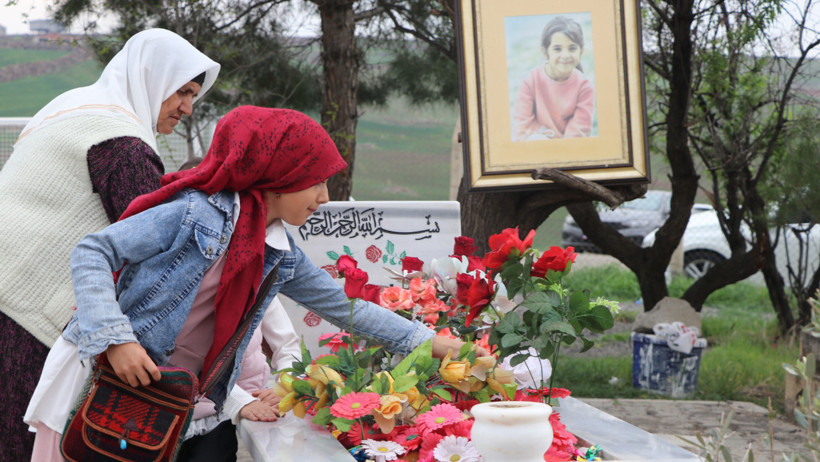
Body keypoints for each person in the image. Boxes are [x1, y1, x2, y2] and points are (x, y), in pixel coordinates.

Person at [25, 106, 471, 460]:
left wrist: (431, 342)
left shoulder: (277, 250)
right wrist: (116, 339)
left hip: (169, 399)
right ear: (275, 179)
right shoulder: (194, 214)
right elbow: (92, 251)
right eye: (315, 182)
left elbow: (345, 307)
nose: (324, 197)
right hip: (106, 382)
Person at [0, 28, 220, 459]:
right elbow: (153, 256)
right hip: (28, 318)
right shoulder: (122, 143)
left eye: (194, 96)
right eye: (181, 91)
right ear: (150, 77)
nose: (187, 108)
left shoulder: (69, 107)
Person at [178, 296, 301, 462]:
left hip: (222, 410)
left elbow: (287, 345)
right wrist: (240, 401)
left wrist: (286, 386)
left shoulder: (264, 278)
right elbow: (184, 360)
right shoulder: (185, 283)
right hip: (171, 400)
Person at [512, 16, 595, 142]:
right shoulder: (530, 80)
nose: (565, 55)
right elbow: (522, 127)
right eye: (557, 49)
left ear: (581, 51)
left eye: (572, 48)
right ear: (545, 52)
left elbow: (578, 132)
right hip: (536, 146)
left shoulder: (584, 86)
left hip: (569, 150)